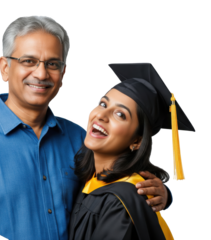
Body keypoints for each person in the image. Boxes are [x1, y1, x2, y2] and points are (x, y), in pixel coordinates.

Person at [0, 17, 173, 240]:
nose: (41, 73)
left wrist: (162, 194)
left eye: (53, 64)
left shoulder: (80, 138)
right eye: (28, 61)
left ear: (63, 73)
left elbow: (112, 187)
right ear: (4, 67)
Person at [69, 62, 197, 240]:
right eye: (103, 104)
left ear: (137, 141)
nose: (101, 116)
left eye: (120, 114)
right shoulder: (92, 178)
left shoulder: (121, 201)